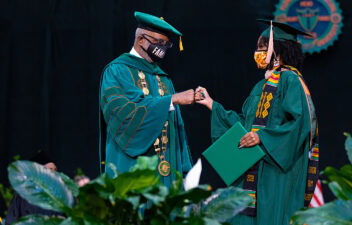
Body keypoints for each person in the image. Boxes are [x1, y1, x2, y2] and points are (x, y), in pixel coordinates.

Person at [195, 20, 319, 225]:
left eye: (262, 48)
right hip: (253, 166)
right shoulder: (262, 85)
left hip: (275, 168)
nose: (258, 53)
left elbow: (299, 124)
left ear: (277, 50)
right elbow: (246, 124)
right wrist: (211, 104)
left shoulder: (291, 80)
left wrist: (262, 137)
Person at [99, 12, 193, 186]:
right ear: (141, 39)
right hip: (133, 168)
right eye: (158, 42)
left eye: (166, 44)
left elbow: (177, 128)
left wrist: (185, 170)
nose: (162, 48)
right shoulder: (117, 71)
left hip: (168, 170)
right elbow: (124, 113)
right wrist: (170, 100)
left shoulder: (163, 78)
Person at [5, 151, 63, 225]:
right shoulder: (23, 194)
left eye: (55, 170)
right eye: (49, 169)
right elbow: (11, 220)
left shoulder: (60, 196)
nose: (54, 173)